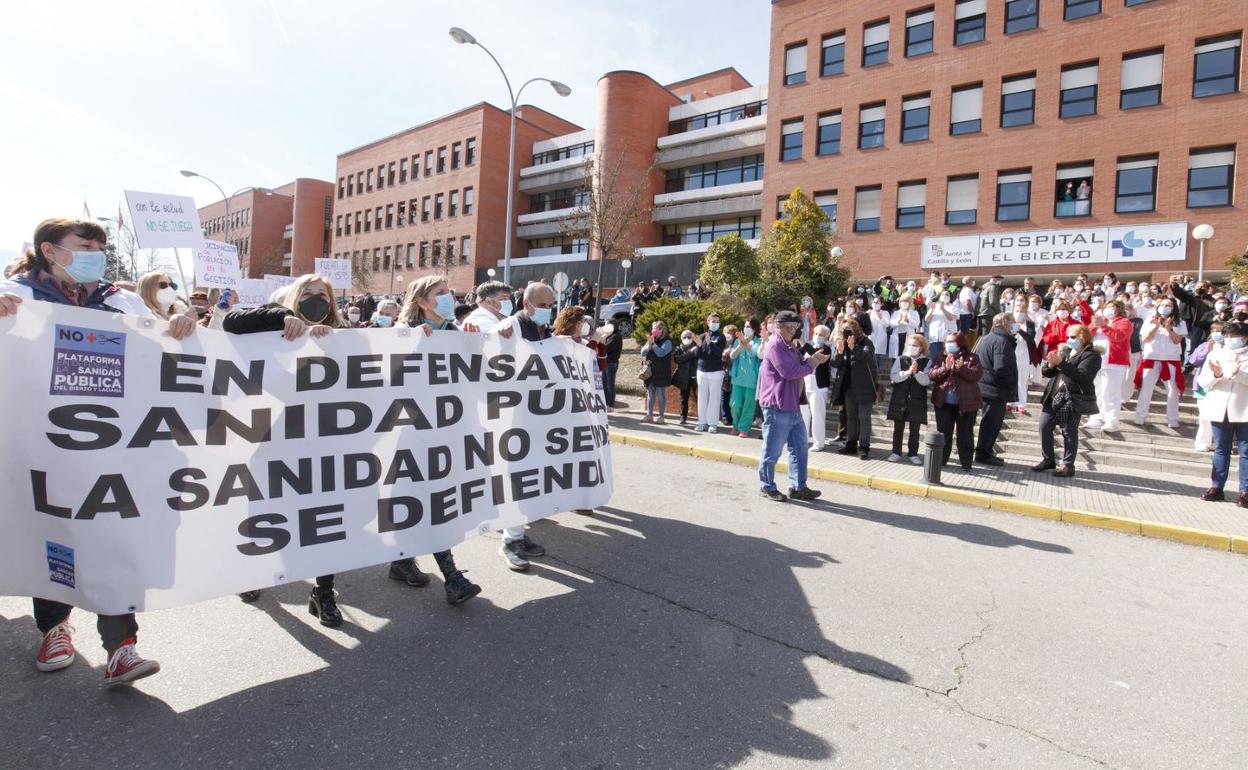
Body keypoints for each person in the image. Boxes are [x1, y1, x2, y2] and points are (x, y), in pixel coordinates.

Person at [0, 218, 195, 686]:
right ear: (50, 250)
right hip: (45, 446)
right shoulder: (15, 296)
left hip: (114, 444)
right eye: (85, 245)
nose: (96, 253)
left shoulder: (121, 300)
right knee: (56, 533)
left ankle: (122, 648)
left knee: (113, 536)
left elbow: (157, 355)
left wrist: (180, 328)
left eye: (100, 246)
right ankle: (55, 628)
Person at [223, 274, 359, 621]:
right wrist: (280, 318)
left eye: (323, 295)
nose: (317, 300)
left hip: (326, 443)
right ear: (294, 297)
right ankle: (252, 571)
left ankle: (323, 591)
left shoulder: (344, 336)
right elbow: (230, 321)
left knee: (327, 519)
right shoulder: (273, 322)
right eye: (309, 294)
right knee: (265, 511)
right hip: (272, 440)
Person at [757, 311, 830, 501]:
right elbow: (789, 372)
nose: (798, 330)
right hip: (777, 406)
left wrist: (812, 360)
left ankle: (798, 487)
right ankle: (767, 486)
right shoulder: (775, 345)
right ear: (787, 327)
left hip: (792, 405)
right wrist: (812, 364)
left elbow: (799, 363)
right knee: (772, 451)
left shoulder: (789, 345)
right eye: (796, 327)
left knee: (799, 449)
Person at [1033, 324, 1101, 477]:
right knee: (1044, 426)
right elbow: (1047, 373)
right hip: (1054, 395)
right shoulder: (1065, 351)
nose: (1069, 340)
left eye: (1073, 337)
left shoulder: (1092, 355)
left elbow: (1083, 375)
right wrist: (1050, 365)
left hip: (1072, 398)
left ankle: (1068, 465)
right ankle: (1048, 459)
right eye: (1068, 336)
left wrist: (1061, 363)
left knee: (1069, 431)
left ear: (1083, 337)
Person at [1197, 321, 1248, 506]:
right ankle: (1216, 487)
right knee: (1220, 449)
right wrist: (1217, 375)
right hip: (1220, 409)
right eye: (1227, 336)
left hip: (1244, 410)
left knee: (1246, 451)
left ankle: (1245, 491)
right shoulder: (1216, 353)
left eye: (1234, 336)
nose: (1230, 339)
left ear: (1245, 338)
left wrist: (1238, 374)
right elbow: (1203, 381)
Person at [928, 331, 984, 471]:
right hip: (943, 402)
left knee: (964, 434)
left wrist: (961, 368)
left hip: (966, 403)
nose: (949, 345)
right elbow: (931, 375)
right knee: (943, 433)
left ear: (960, 343)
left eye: (952, 342)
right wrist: (945, 368)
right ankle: (941, 460)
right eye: (947, 342)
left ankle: (966, 463)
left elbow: (976, 375)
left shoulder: (971, 357)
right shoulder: (941, 357)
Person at [971, 312, 1018, 466]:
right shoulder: (1002, 342)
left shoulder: (983, 339)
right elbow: (1002, 368)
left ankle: (985, 451)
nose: (1015, 324)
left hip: (982, 386)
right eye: (1013, 321)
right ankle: (984, 453)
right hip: (995, 390)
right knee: (991, 423)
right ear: (1005, 323)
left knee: (987, 422)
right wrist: (1010, 385)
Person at [1135, 296, 1187, 429]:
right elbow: (1145, 339)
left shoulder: (1180, 323)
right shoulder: (1150, 319)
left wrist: (1169, 328)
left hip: (1171, 359)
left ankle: (1173, 419)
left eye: (1168, 305)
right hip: (1151, 358)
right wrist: (1156, 327)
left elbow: (1177, 341)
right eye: (1163, 304)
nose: (1165, 307)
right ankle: (1140, 417)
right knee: (1146, 389)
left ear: (1174, 308)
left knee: (1172, 390)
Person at [830, 317, 879, 460]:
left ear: (856, 330)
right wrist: (839, 352)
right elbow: (835, 364)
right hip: (848, 387)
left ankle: (864, 447)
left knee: (864, 417)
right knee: (851, 417)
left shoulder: (866, 342)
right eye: (844, 330)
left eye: (849, 330)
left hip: (865, 387)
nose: (847, 333)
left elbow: (866, 357)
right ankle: (851, 444)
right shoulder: (841, 343)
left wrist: (853, 347)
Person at [1085, 297, 1133, 433]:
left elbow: (1119, 337)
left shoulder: (1125, 322)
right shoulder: (1100, 322)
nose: (1109, 310)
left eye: (1113, 307)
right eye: (1107, 307)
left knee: (1110, 392)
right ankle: (1096, 417)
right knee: (1097, 391)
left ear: (1119, 309)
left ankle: (1111, 420)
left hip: (1114, 363)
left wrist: (1103, 326)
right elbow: (1087, 336)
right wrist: (1095, 326)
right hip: (1097, 361)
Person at [887, 333, 931, 465]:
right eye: (910, 345)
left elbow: (926, 381)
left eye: (916, 345)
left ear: (922, 348)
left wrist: (917, 372)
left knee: (915, 429)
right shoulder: (900, 359)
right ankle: (896, 452)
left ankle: (913, 453)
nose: (912, 347)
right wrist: (907, 372)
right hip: (900, 398)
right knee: (898, 427)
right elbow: (894, 376)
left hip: (917, 399)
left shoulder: (927, 362)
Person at [800, 324, 832, 448]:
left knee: (817, 414)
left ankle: (818, 442)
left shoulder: (826, 349)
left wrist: (801, 340)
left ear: (826, 337)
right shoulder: (807, 347)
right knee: (803, 414)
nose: (817, 336)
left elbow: (814, 354)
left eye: (821, 334)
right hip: (805, 383)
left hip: (818, 386)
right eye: (816, 333)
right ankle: (802, 439)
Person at [730, 320, 764, 437]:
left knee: (748, 406)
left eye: (748, 326)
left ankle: (744, 428)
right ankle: (735, 425)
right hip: (738, 378)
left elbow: (753, 353)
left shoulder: (758, 341)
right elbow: (732, 355)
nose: (746, 328)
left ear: (754, 329)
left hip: (751, 379)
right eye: (744, 326)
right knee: (735, 404)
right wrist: (740, 343)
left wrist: (745, 342)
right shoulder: (737, 341)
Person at [695, 313, 728, 433]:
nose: (714, 323)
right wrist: (699, 346)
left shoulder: (721, 337)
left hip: (716, 371)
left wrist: (710, 343)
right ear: (707, 321)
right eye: (712, 321)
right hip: (702, 371)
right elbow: (698, 355)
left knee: (714, 398)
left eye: (717, 321)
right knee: (702, 398)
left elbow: (719, 352)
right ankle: (702, 422)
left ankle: (712, 423)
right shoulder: (702, 336)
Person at [640, 320, 673, 424]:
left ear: (661, 330)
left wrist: (653, 344)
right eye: (653, 329)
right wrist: (648, 345)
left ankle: (661, 416)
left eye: (655, 329)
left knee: (661, 395)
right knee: (650, 395)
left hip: (661, 372)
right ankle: (649, 415)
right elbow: (642, 353)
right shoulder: (651, 339)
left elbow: (661, 353)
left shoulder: (667, 342)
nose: (653, 331)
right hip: (650, 372)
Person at [673, 329, 699, 425]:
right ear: (681, 338)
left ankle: (702, 418)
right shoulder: (678, 349)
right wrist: (690, 354)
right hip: (684, 378)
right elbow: (678, 360)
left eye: (689, 337)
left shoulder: (697, 347)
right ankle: (682, 417)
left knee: (699, 398)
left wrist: (688, 355)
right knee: (684, 399)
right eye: (684, 337)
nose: (687, 339)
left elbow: (694, 357)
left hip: (695, 377)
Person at [925, 290, 958, 360]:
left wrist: (943, 309)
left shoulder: (953, 307)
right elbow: (927, 319)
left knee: (948, 359)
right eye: (942, 294)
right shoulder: (934, 306)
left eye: (946, 295)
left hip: (948, 339)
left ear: (950, 297)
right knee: (935, 360)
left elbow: (952, 318)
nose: (944, 296)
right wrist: (932, 309)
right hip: (935, 338)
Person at [602, 320, 623, 410]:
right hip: (605, 362)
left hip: (611, 363)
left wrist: (603, 338)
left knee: (610, 384)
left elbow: (606, 348)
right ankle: (606, 403)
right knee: (604, 384)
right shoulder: (609, 336)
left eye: (607, 325)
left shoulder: (616, 336)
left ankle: (610, 405)